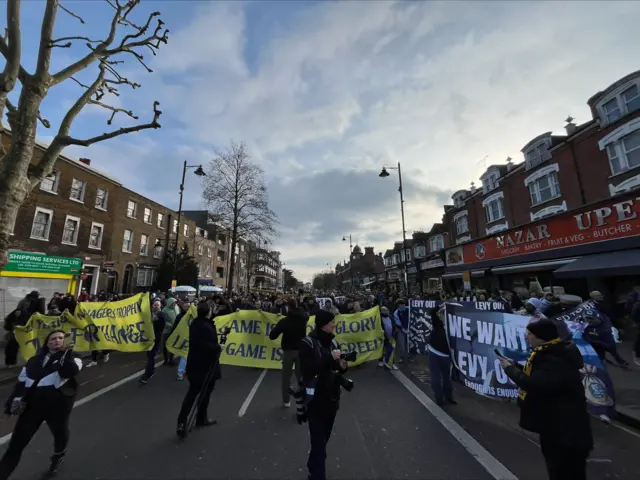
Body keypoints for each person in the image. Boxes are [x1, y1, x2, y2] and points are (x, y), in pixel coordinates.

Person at [499, 319, 593, 480]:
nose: (526, 337)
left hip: (564, 432)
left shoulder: (553, 358)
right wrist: (516, 367)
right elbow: (543, 378)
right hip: (559, 428)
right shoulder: (551, 353)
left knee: (563, 472)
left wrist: (510, 370)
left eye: (529, 334)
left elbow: (534, 384)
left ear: (540, 337)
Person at [0, 330, 82, 479]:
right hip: (32, 408)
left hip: (57, 408)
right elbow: (20, 384)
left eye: (61, 338)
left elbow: (68, 372)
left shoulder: (73, 358)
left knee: (60, 434)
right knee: (15, 446)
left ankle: (58, 455)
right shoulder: (33, 361)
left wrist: (66, 353)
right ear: (47, 342)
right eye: (53, 338)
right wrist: (10, 406)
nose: (57, 340)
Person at [299, 310, 348, 480]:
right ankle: (317, 475)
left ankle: (313, 466)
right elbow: (307, 370)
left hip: (332, 398)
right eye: (331, 322)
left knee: (322, 441)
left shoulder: (333, 341)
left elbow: (336, 367)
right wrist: (328, 357)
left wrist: (342, 365)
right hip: (315, 400)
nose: (334, 325)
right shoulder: (307, 343)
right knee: (319, 445)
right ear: (322, 325)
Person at [176, 303, 221, 437]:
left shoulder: (196, 323)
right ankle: (201, 418)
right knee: (204, 394)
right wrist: (218, 347)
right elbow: (207, 346)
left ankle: (182, 421)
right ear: (208, 312)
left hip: (194, 364)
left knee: (192, 393)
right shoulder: (206, 327)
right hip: (205, 366)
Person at [269, 298, 308, 407]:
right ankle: (303, 397)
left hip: (288, 352)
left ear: (288, 307)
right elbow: (307, 312)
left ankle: (286, 400)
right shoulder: (303, 319)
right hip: (301, 351)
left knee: (286, 377)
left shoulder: (285, 321)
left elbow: (272, 336)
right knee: (301, 376)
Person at [428, 306, 456, 406]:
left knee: (447, 377)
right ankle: (439, 397)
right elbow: (432, 312)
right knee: (436, 376)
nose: (442, 317)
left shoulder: (453, 326)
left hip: (446, 355)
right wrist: (442, 306)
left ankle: (448, 395)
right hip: (434, 352)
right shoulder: (437, 324)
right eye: (441, 315)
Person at [140, 300, 167, 384]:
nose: (156, 306)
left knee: (151, 356)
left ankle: (148, 374)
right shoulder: (149, 314)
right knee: (149, 355)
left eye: (157, 305)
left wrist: (155, 321)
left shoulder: (161, 315)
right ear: (152, 306)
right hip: (148, 338)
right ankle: (150, 371)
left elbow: (161, 327)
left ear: (160, 306)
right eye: (155, 305)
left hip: (156, 338)